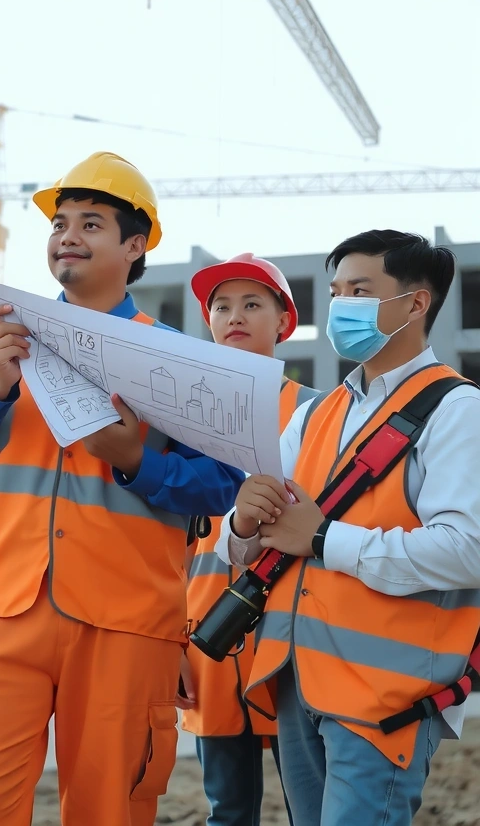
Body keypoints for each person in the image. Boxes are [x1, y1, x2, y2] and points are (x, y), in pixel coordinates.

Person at [0, 152, 246, 826]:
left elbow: (219, 487)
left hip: (125, 619)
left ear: (135, 246)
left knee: (111, 810)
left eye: (90, 223)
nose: (67, 234)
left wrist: (134, 458)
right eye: (60, 223)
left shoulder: (179, 361)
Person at [216, 230, 480, 826]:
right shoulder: (315, 414)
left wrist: (322, 539)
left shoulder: (459, 410)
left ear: (416, 304)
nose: (341, 307)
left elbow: (468, 550)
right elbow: (244, 544)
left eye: (359, 291)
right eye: (336, 293)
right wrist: (243, 522)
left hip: (386, 696)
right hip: (295, 679)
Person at [183, 253, 318, 826]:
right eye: (221, 305)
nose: (233, 316)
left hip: (291, 635)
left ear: (283, 321)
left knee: (307, 802)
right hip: (206, 637)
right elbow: (168, 545)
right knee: (228, 808)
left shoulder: (317, 412)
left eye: (252, 304)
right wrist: (172, 640)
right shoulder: (181, 418)